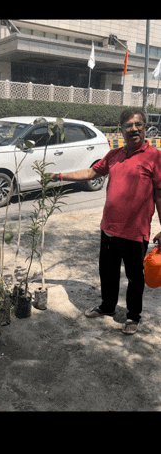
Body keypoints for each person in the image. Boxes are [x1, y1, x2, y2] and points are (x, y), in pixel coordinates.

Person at [47, 107, 161, 335]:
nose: (134, 129)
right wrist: (59, 176)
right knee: (107, 272)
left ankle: (132, 316)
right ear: (121, 129)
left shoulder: (155, 157)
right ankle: (107, 307)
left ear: (145, 128)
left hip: (136, 232)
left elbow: (159, 194)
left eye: (138, 124)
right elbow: (91, 173)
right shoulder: (114, 156)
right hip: (109, 229)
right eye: (128, 125)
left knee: (135, 277)